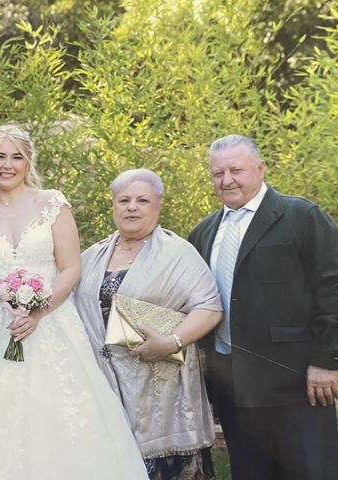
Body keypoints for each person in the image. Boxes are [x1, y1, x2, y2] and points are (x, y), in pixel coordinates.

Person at [0, 124, 148, 479]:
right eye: (0, 156)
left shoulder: (52, 203)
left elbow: (70, 267)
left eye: (16, 156)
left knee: (55, 417)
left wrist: (38, 311)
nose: (8, 165)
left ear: (28, 161)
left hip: (50, 322)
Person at [188, 134, 338, 480]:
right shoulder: (204, 232)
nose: (227, 180)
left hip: (298, 382)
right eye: (217, 173)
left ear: (260, 168)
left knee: (312, 472)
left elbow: (334, 289)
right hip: (233, 385)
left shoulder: (301, 216)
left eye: (236, 170)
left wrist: (325, 361)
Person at [73, 168, 223, 480]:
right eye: (123, 200)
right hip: (104, 385)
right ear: (112, 206)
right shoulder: (91, 255)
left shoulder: (178, 253)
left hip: (161, 388)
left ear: (158, 205)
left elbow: (209, 308)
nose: (132, 207)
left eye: (142, 200)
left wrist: (173, 341)